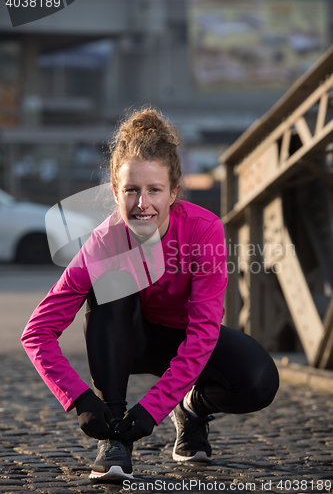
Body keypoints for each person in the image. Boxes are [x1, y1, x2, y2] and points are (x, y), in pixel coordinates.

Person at [21, 107, 279, 483]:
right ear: (115, 192)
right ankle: (114, 438)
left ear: (174, 191)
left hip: (188, 340)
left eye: (155, 190)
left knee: (259, 381)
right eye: (131, 191)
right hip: (129, 340)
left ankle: (191, 409)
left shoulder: (204, 231)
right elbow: (36, 333)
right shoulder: (102, 243)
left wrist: (155, 408)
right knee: (112, 283)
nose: (143, 204)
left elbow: (204, 332)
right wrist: (79, 400)